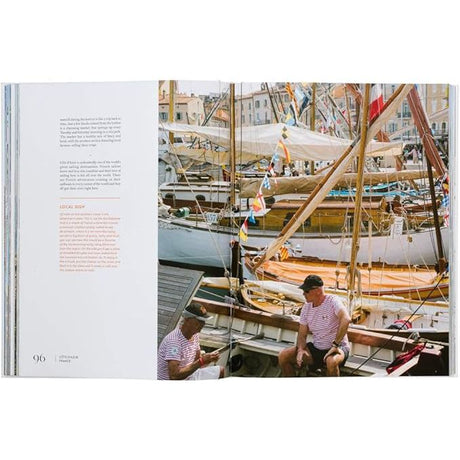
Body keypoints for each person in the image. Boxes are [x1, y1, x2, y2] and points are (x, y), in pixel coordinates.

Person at [278, 275, 351, 377]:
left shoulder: (333, 301)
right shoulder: (306, 307)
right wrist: (301, 350)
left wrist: (335, 345)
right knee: (283, 356)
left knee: (331, 362)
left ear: (317, 290)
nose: (303, 293)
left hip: (338, 348)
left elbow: (346, 319)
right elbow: (302, 334)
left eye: (306, 291)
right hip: (317, 349)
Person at [157, 302, 225, 380]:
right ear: (187, 320)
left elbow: (196, 361)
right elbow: (173, 376)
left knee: (221, 371)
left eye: (204, 321)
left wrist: (208, 359)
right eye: (200, 321)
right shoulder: (174, 342)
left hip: (187, 376)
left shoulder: (195, 335)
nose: (203, 324)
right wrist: (202, 361)